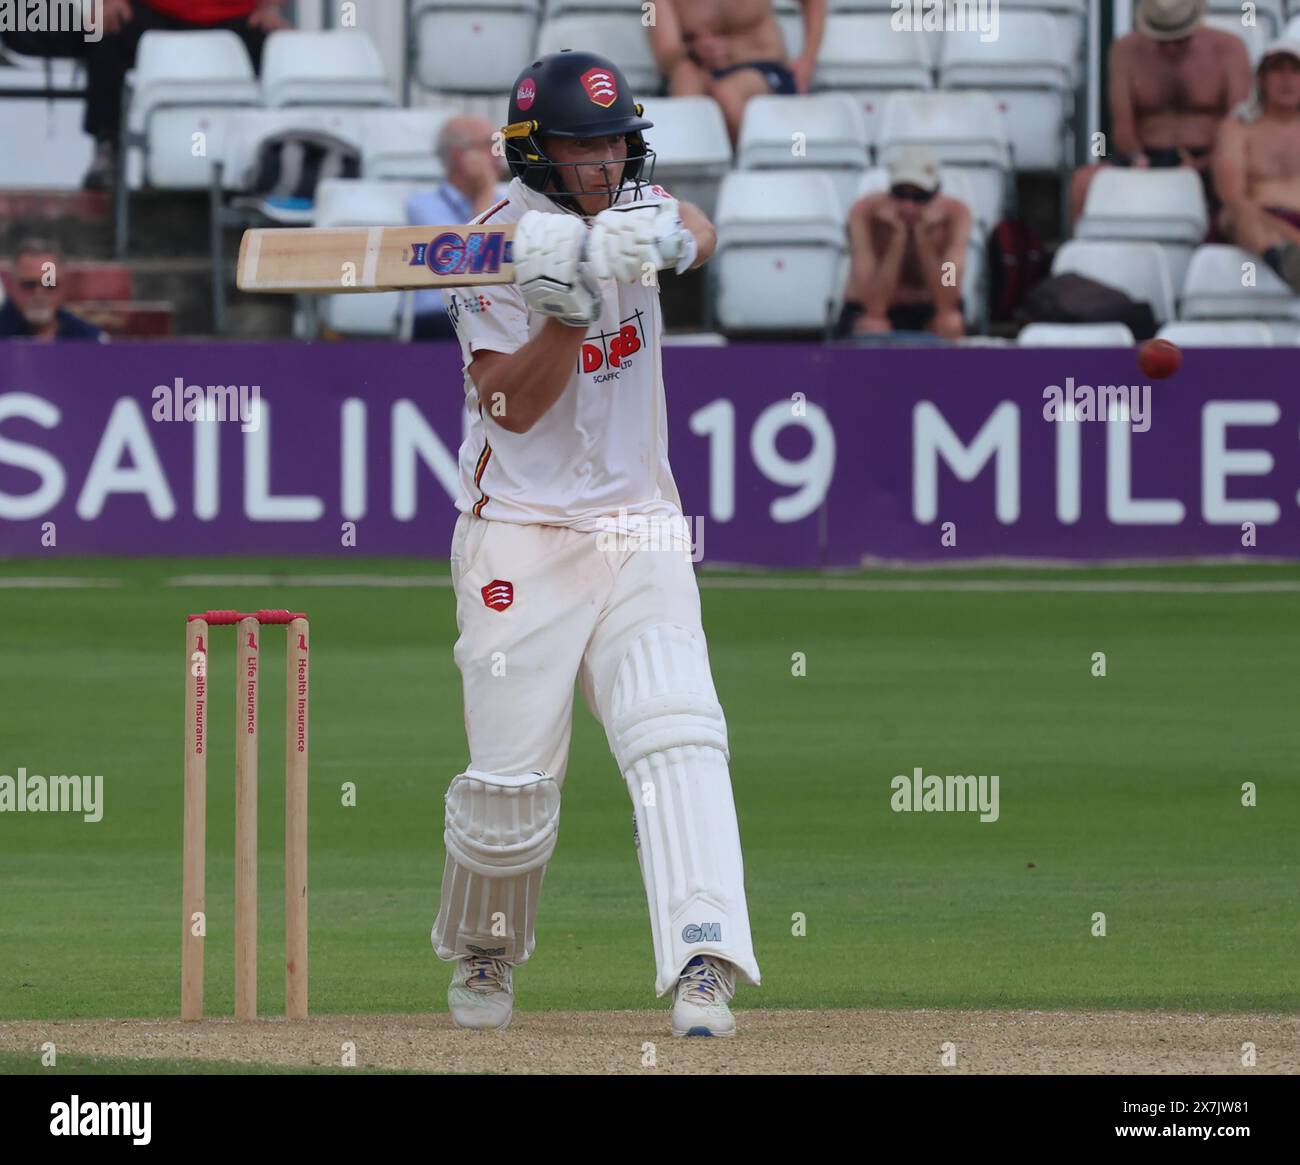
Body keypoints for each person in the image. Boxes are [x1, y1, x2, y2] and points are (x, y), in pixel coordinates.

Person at [431, 49, 761, 1038]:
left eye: (618, 141)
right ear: (537, 151)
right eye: (584, 145)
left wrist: (663, 244)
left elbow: (696, 227)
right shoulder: (485, 251)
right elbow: (506, 407)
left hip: (637, 521)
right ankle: (486, 952)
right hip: (517, 539)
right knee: (509, 787)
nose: (607, 160)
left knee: (678, 729)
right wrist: (566, 317)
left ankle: (703, 956)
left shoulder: (638, 207)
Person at [1069, 0, 1250, 224]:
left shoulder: (1229, 49)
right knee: (1083, 182)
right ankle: (1083, 256)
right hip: (1148, 157)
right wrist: (1137, 157)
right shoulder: (1125, 50)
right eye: (1162, 40)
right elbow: (1122, 124)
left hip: (1212, 157)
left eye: (1179, 39)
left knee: (1243, 187)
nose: (1171, 48)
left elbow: (1239, 123)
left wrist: (1207, 162)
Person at [82, 0, 290, 189]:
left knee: (277, 46)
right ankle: (108, 147)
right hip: (154, 10)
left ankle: (276, 162)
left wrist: (271, 6)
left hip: (233, 14)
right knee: (105, 29)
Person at [647, 0, 827, 143]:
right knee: (684, 77)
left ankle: (758, 170)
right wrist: (695, 49)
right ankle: (691, 169)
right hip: (701, 69)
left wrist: (807, 60)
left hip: (761, 67)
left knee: (727, 93)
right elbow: (665, 54)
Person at [839, 148, 971, 339]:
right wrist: (897, 243)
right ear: (889, 193)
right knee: (874, 326)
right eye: (900, 195)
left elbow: (947, 298)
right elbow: (873, 304)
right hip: (876, 308)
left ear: (935, 196)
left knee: (950, 322)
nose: (908, 206)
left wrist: (924, 241)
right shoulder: (864, 214)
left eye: (919, 197)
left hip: (931, 308)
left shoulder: (955, 216)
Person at [405, 116, 509, 341]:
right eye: (489, 145)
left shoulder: (508, 203)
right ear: (458, 155)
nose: (499, 154)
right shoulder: (422, 207)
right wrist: (484, 190)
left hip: (499, 313)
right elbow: (470, 261)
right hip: (441, 321)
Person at [1215, 39, 1300, 291]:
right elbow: (1232, 196)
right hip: (1258, 223)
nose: (1287, 79)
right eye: (1277, 69)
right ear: (1262, 78)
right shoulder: (1238, 128)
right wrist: (1289, 235)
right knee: (1234, 214)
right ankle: (1283, 260)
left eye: (1295, 70)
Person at [0, 240, 106, 341]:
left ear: (64, 285)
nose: (39, 294)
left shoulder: (89, 339)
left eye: (49, 284)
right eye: (29, 285)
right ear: (11, 285)